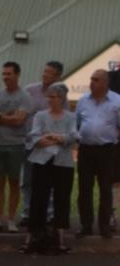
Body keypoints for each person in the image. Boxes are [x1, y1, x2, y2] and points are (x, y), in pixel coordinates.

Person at [23, 83, 76, 254]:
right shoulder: (40, 115)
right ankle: (32, 237)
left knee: (62, 199)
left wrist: (54, 136)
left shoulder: (70, 117)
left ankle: (60, 237)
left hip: (63, 162)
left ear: (61, 98)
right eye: (49, 96)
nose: (50, 100)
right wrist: (50, 139)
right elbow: (34, 135)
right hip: (42, 161)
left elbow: (73, 136)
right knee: (38, 198)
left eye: (54, 97)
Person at [0, 62, 33, 232]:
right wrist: (7, 118)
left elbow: (19, 120)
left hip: (16, 145)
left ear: (17, 75)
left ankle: (11, 219)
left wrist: (0, 117)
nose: (6, 77)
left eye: (9, 74)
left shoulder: (24, 97)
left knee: (14, 183)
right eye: (4, 74)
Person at [75, 69, 120, 238]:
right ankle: (86, 225)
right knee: (84, 189)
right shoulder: (83, 101)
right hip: (86, 150)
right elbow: (77, 123)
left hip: (107, 151)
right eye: (91, 79)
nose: (91, 82)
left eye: (95, 80)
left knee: (105, 190)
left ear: (106, 83)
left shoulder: (117, 101)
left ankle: (104, 227)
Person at [20, 61, 64, 224]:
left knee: (49, 181)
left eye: (50, 73)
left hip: (49, 145)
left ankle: (49, 213)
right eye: (45, 71)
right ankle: (27, 213)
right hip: (30, 143)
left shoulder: (60, 94)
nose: (45, 75)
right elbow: (22, 114)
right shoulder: (30, 91)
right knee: (28, 180)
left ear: (58, 76)